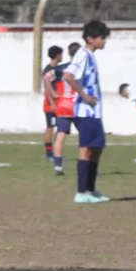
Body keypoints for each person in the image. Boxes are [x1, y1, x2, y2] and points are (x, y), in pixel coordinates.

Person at [63, 21, 110, 203]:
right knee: (87, 148)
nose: (104, 41)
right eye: (102, 38)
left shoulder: (90, 55)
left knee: (97, 148)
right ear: (90, 39)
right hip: (85, 111)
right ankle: (82, 192)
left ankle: (91, 189)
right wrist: (84, 95)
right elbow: (68, 75)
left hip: (94, 112)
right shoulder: (82, 55)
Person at [49, 42, 81, 176]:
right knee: (86, 136)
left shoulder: (60, 69)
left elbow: (46, 78)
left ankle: (58, 167)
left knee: (60, 135)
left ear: (69, 53)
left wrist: (53, 94)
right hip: (78, 105)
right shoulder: (81, 68)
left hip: (63, 105)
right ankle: (88, 167)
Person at [41, 45, 64, 162]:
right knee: (50, 127)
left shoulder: (57, 69)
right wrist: (52, 103)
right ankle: (49, 154)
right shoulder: (49, 70)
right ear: (58, 55)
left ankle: (56, 153)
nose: (62, 57)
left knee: (57, 127)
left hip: (57, 103)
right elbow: (47, 88)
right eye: (61, 54)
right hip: (50, 104)